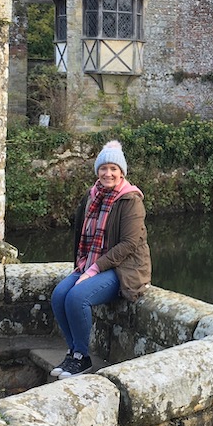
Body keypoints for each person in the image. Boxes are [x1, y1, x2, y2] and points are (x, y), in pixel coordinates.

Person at [49, 140, 151, 377]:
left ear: (122, 172)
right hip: (91, 263)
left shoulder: (130, 201)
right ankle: (73, 352)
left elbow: (129, 244)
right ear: (98, 171)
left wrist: (93, 269)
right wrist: (81, 266)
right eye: (104, 168)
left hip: (124, 268)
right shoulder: (92, 196)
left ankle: (82, 358)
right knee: (59, 295)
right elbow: (80, 234)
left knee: (77, 297)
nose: (108, 173)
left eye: (114, 169)